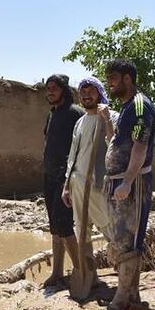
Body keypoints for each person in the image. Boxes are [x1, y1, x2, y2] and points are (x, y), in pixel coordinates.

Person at [100, 59, 155, 310]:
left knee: (128, 240)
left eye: (113, 77)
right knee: (120, 237)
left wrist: (127, 182)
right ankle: (131, 295)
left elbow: (140, 146)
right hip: (119, 182)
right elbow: (116, 140)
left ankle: (121, 298)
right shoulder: (126, 108)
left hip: (132, 184)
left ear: (127, 78)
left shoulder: (140, 107)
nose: (109, 83)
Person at [42, 74, 84, 288]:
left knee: (64, 224)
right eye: (48, 88)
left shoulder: (75, 113)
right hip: (49, 176)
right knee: (54, 226)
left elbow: (83, 147)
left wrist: (70, 177)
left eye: (55, 88)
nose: (50, 92)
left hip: (66, 178)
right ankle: (57, 272)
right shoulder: (53, 113)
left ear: (64, 91)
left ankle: (81, 272)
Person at [63, 77, 115, 247]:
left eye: (91, 91)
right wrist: (66, 186)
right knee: (82, 232)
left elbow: (115, 146)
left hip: (100, 186)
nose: (87, 95)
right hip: (77, 184)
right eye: (83, 92)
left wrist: (107, 119)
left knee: (112, 231)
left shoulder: (113, 117)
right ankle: (87, 265)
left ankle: (122, 263)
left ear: (100, 94)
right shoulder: (80, 122)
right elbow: (73, 155)